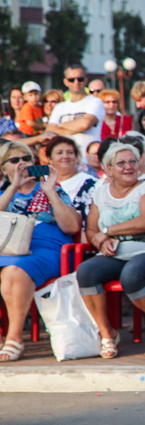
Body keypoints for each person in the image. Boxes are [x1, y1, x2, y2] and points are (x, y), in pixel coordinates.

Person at [77, 143, 145, 359]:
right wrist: (100, 241)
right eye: (121, 163)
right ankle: (107, 334)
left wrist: (107, 231)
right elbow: (91, 229)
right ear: (109, 169)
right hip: (115, 254)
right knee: (85, 272)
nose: (128, 167)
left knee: (131, 275)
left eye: (133, 162)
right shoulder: (101, 193)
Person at [0, 142, 82, 361]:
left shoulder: (50, 187)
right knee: (10, 266)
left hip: (47, 248)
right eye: (14, 161)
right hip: (8, 249)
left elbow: (72, 227)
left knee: (13, 271)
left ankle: (14, 338)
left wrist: (51, 193)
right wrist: (13, 187)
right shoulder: (5, 194)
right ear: (3, 169)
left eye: (26, 159)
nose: (22, 164)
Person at [41, 65, 106, 156]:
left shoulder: (95, 102)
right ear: (66, 82)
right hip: (65, 159)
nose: (76, 82)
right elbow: (50, 131)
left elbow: (85, 124)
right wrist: (77, 126)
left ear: (86, 80)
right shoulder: (60, 107)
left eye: (80, 79)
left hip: (88, 159)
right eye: (71, 80)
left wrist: (60, 126)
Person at [46, 136, 97, 225]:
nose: (65, 156)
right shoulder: (43, 181)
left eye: (70, 152)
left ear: (76, 158)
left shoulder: (89, 182)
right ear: (50, 159)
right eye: (59, 153)